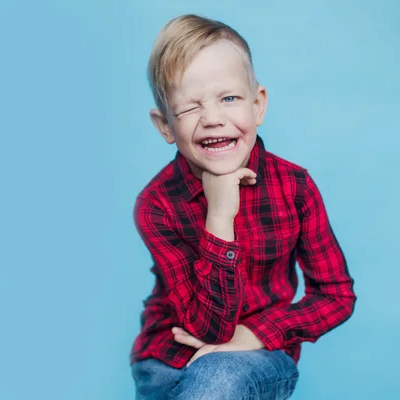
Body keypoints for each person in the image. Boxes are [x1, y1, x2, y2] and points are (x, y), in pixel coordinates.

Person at [129, 14, 357, 400]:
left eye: (229, 98)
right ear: (165, 126)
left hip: (256, 354)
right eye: (189, 108)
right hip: (167, 355)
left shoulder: (294, 187)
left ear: (258, 105)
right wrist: (219, 218)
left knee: (217, 381)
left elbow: (336, 296)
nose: (214, 119)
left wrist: (255, 334)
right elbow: (207, 330)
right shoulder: (156, 205)